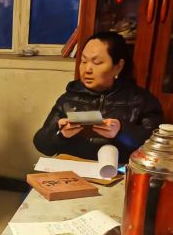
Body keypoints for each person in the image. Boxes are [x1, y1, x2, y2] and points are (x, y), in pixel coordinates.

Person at [33, 31, 163, 163]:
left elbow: (156, 149)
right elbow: (41, 144)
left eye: (97, 62)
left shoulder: (142, 100)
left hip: (117, 172)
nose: (87, 69)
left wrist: (121, 131)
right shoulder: (69, 98)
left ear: (118, 66)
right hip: (72, 170)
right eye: (83, 61)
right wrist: (60, 134)